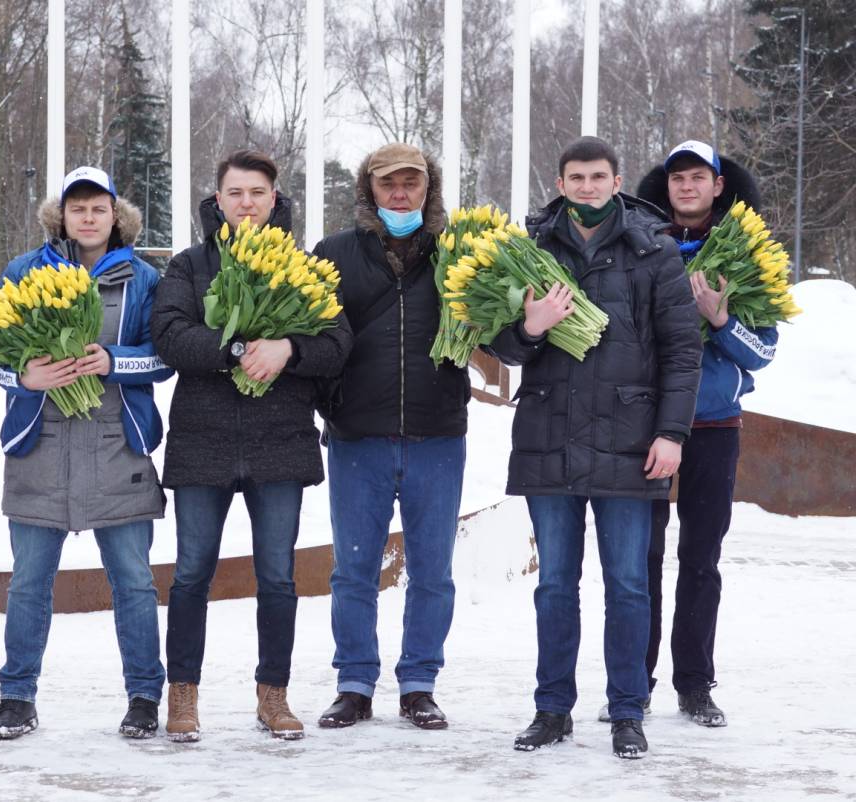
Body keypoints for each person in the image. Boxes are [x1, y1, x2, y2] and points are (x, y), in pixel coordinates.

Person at [489, 136, 702, 759]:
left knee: (629, 585)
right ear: (559, 183)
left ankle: (628, 710)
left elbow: (682, 351)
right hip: (549, 438)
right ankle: (552, 708)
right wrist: (530, 328)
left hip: (630, 441)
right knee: (555, 584)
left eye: (598, 176)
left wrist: (671, 432)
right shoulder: (530, 251)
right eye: (575, 177)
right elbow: (501, 346)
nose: (586, 186)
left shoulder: (653, 251)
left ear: (617, 181)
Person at [151, 149, 352, 742]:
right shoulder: (189, 266)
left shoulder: (302, 266)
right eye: (235, 193)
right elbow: (170, 336)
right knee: (190, 574)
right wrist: (239, 350)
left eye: (257, 193)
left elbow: (338, 341)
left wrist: (287, 350)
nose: (246, 204)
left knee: (278, 576)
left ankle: (274, 695)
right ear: (218, 201)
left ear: (274, 198)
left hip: (279, 442)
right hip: (202, 442)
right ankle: (182, 697)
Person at [587, 140, 774, 728]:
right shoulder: (640, 243)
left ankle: (694, 683)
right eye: (677, 179)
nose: (687, 187)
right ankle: (632, 683)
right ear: (664, 187)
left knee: (701, 557)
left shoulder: (748, 252)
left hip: (713, 426)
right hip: (646, 427)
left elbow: (764, 352)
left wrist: (720, 319)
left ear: (718, 185)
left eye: (698, 178)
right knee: (638, 561)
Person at [0, 166, 173, 740]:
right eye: (76, 208)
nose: (87, 218)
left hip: (119, 443)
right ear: (59, 215)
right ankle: (17, 696)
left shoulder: (143, 279)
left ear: (115, 215)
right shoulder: (24, 272)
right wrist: (26, 376)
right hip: (43, 445)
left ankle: (144, 696)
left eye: (98, 208)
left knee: (135, 582)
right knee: (29, 582)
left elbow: (165, 359)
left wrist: (114, 362)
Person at [311, 142, 470, 731]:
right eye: (388, 184)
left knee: (432, 568)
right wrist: (333, 407)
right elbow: (316, 339)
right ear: (369, 189)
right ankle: (354, 683)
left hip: (437, 435)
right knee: (353, 569)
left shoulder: (459, 254)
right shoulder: (333, 253)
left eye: (412, 183)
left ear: (429, 188)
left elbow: (499, 334)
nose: (400, 194)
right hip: (360, 436)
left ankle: (419, 684)